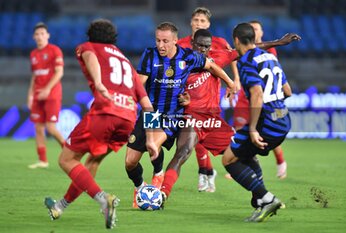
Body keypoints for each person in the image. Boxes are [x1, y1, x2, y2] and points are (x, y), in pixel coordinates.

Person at [160, 29, 301, 202]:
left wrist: (278, 42)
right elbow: (167, 89)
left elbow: (249, 48)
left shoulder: (217, 57)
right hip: (191, 118)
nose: (203, 50)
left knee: (245, 154)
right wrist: (180, 98)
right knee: (183, 152)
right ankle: (162, 194)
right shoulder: (181, 63)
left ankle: (260, 196)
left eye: (207, 46)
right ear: (192, 44)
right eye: (200, 46)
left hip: (214, 122)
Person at [43, 19, 157, 229]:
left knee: (66, 160)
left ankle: (104, 200)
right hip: (128, 119)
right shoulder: (126, 62)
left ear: (90, 35)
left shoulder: (87, 47)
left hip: (105, 113)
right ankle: (60, 206)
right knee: (92, 163)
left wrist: (98, 83)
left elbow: (91, 57)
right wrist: (150, 139)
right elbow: (148, 105)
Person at [125, 22, 235, 207]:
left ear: (175, 41)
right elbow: (139, 85)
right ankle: (140, 186)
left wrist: (230, 83)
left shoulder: (188, 57)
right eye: (158, 40)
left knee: (153, 144)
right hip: (149, 112)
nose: (161, 45)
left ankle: (158, 174)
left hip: (172, 116)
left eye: (165, 41)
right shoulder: (149, 55)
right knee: (130, 162)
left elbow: (211, 66)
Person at [222, 23, 292, 222]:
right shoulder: (271, 57)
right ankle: (260, 202)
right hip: (283, 120)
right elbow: (288, 92)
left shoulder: (245, 61)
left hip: (266, 124)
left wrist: (253, 128)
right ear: (253, 39)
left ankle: (267, 199)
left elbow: (257, 93)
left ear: (236, 40)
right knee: (246, 156)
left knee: (228, 160)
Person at [177, 6, 240, 192]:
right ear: (191, 22)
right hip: (187, 95)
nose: (198, 24)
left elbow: (232, 56)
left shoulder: (219, 42)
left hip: (209, 92)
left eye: (202, 21)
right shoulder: (181, 44)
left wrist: (234, 79)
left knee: (199, 132)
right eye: (196, 20)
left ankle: (206, 171)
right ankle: (206, 171)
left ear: (208, 24)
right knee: (194, 136)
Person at [27, 22, 65, 169]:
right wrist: (30, 95)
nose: (39, 36)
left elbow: (59, 72)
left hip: (52, 94)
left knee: (50, 128)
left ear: (47, 35)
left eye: (42, 33)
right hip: (37, 94)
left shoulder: (55, 50)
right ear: (33, 37)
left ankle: (69, 152)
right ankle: (43, 160)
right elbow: (34, 76)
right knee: (38, 127)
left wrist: (47, 89)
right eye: (37, 34)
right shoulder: (33, 54)